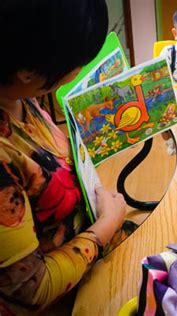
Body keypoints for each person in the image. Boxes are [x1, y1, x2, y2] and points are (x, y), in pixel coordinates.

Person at [0, 1, 126, 314]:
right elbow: (30, 290)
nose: (81, 68)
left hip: (87, 237)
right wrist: (106, 227)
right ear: (27, 72)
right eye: (78, 61)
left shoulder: (18, 94)